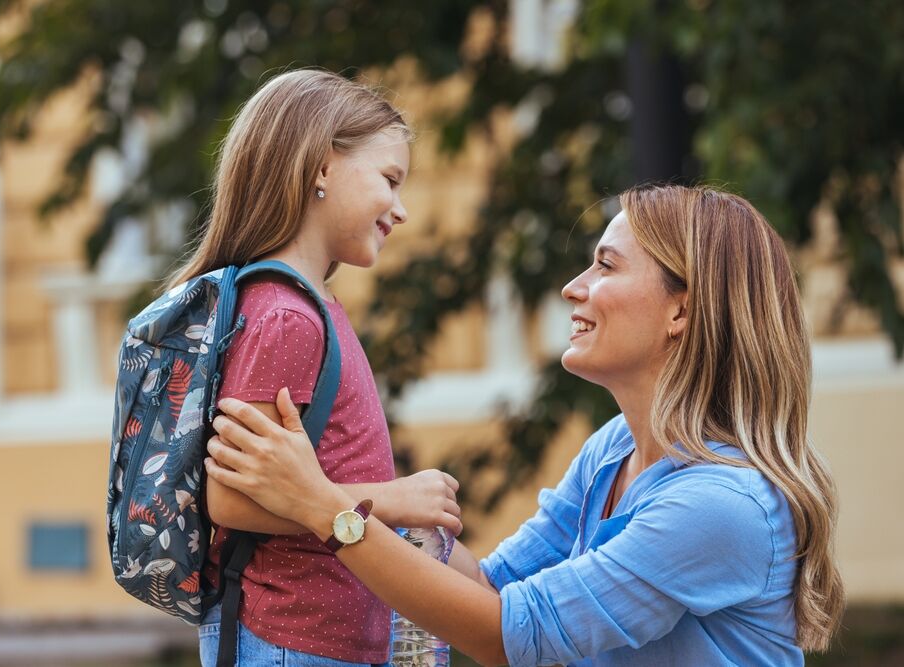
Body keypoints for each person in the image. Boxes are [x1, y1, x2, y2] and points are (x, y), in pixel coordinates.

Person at [204, 184, 846, 666]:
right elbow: (492, 585)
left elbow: (513, 634)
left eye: (607, 265)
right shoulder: (614, 451)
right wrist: (386, 503)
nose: (574, 287)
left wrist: (326, 509)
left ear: (681, 309)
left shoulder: (718, 504)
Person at [170, 68, 463, 667]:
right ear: (322, 167)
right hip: (289, 642)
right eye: (389, 179)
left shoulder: (312, 308)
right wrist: (394, 499)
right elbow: (229, 500)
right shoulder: (286, 317)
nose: (400, 209)